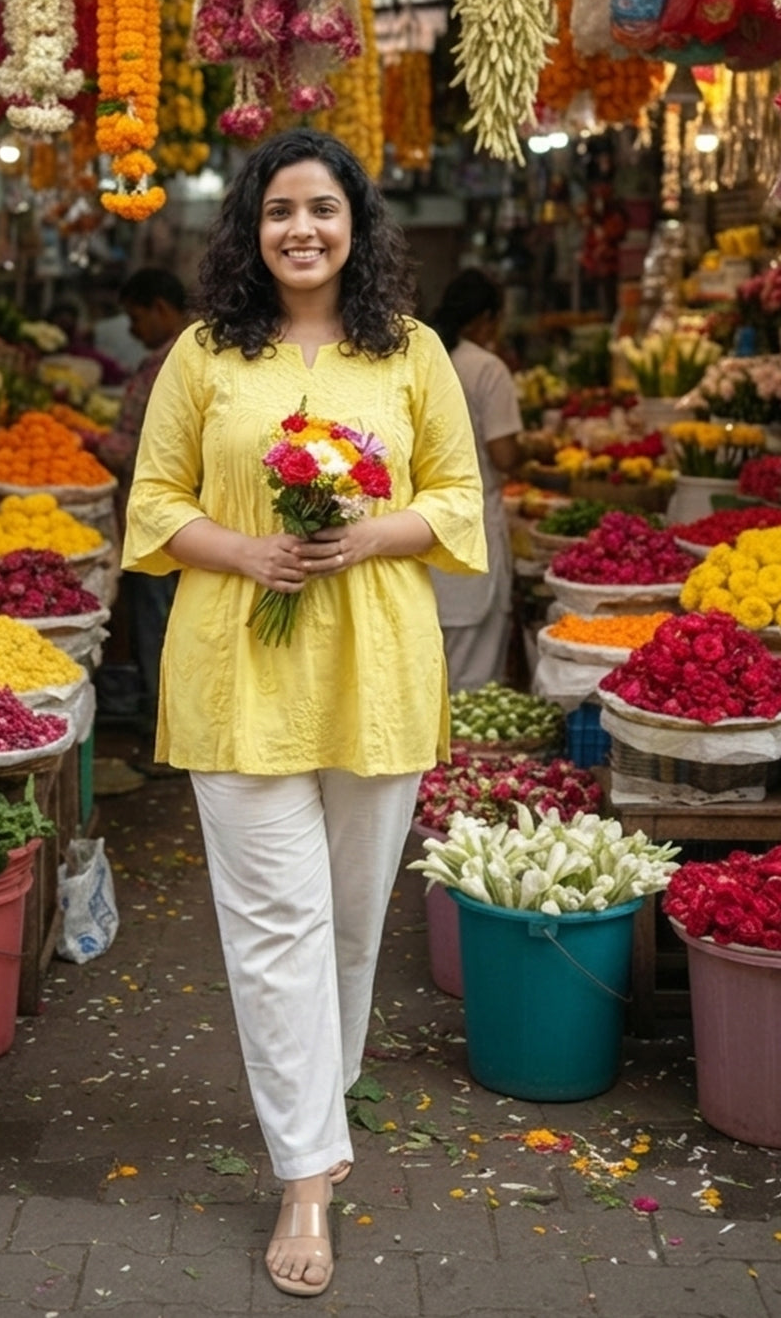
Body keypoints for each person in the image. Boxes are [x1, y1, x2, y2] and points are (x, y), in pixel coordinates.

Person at [120, 128, 486, 1298]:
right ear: (250, 229)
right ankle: (305, 1176)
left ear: (356, 223)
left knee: (348, 922)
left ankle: (314, 1128)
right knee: (276, 928)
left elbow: (459, 496)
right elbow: (155, 503)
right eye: (279, 211)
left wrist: (359, 534)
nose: (302, 230)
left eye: (322, 209)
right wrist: (250, 549)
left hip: (376, 665)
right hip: (236, 672)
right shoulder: (203, 353)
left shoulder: (413, 352)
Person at [97, 269, 189, 752]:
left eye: (136, 317)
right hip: (180, 517)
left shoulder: (168, 365)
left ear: (160, 308)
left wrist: (91, 441)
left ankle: (163, 726)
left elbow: (140, 450)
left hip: (163, 519)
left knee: (159, 618)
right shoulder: (190, 354)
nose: (132, 329)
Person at [429, 269, 523, 691]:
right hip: (471, 531)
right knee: (471, 683)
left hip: (418, 535)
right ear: (486, 318)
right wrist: (531, 453)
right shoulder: (487, 369)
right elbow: (504, 454)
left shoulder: (422, 356)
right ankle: (468, 759)